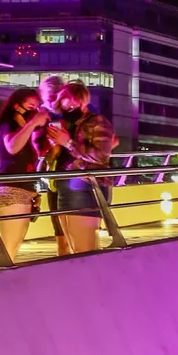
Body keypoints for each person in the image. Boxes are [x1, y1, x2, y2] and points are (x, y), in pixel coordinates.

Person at [47, 82, 119, 254]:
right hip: (66, 187)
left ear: (83, 102)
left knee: (83, 250)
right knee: (73, 248)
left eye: (72, 105)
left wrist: (69, 143)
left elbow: (101, 156)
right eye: (63, 106)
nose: (68, 109)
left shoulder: (97, 121)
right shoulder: (69, 125)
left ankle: (92, 280)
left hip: (85, 187)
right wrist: (57, 146)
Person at [0, 87, 49, 262]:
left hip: (22, 191)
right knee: (9, 249)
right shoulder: (10, 124)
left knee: (13, 248)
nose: (34, 113)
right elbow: (12, 147)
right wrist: (32, 123)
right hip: (11, 191)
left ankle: (3, 282)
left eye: (37, 108)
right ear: (16, 106)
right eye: (31, 107)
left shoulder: (24, 131)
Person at [33, 74, 68, 255]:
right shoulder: (41, 116)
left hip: (62, 172)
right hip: (54, 173)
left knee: (63, 219)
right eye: (50, 96)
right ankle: (66, 256)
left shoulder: (69, 114)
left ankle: (67, 255)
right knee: (59, 219)